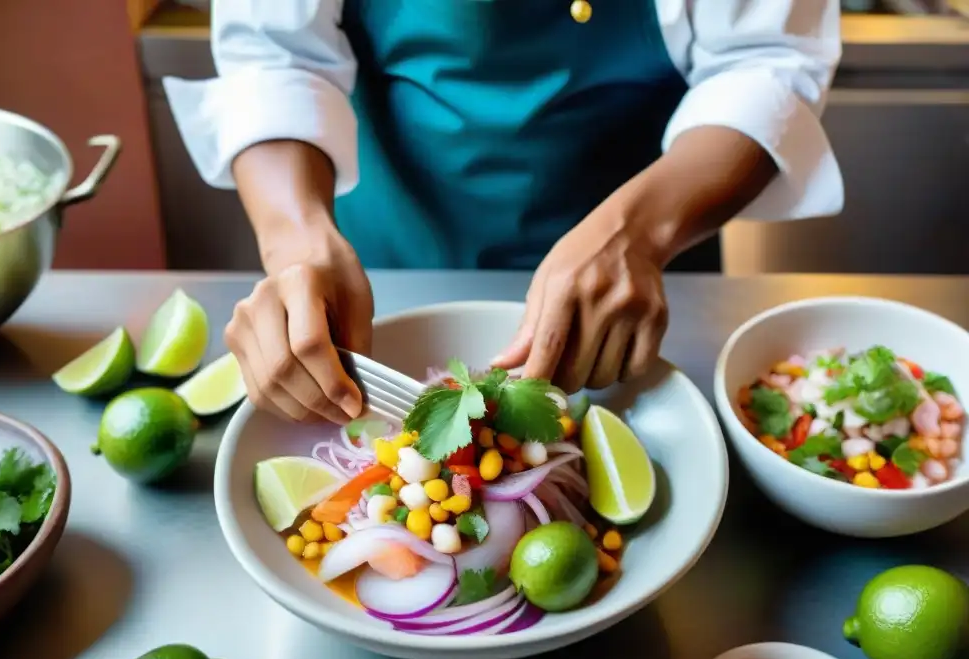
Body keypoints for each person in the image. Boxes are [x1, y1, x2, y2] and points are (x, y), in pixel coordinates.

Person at [165, 0, 843, 425]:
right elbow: (274, 54)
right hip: (392, 259)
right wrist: (298, 245)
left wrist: (637, 233)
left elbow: (766, 62)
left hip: (643, 269)